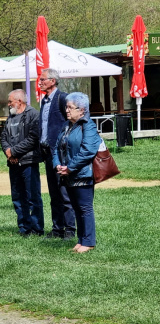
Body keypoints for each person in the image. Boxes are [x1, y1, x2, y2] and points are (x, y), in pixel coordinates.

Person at [52, 92, 101, 253]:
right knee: (76, 208)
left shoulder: (88, 125)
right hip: (68, 175)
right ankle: (81, 240)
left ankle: (89, 241)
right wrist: (57, 164)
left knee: (85, 208)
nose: (67, 110)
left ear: (82, 110)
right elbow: (56, 148)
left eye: (70, 107)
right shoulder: (67, 125)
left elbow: (88, 151)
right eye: (66, 107)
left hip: (83, 175)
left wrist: (70, 167)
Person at [2, 89, 43, 236]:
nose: (8, 104)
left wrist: (14, 151)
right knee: (18, 197)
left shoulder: (33, 115)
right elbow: (3, 137)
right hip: (13, 163)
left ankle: (37, 228)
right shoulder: (11, 116)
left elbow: (33, 139)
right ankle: (24, 228)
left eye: (10, 101)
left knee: (32, 197)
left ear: (19, 101)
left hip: (28, 162)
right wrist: (8, 151)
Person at [39, 68, 75, 239]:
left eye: (43, 79)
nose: (40, 82)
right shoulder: (44, 101)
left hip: (60, 154)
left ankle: (69, 230)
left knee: (64, 193)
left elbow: (72, 121)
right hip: (47, 153)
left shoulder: (62, 98)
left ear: (52, 81)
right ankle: (57, 229)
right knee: (54, 193)